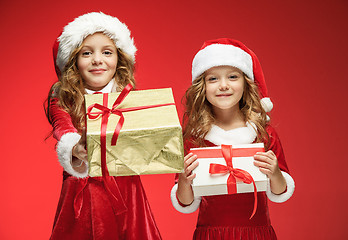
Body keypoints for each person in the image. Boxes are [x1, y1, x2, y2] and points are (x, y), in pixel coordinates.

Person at [45, 12, 162, 240]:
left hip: (127, 191)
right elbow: (62, 125)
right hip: (83, 188)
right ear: (73, 61)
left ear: (119, 59)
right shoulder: (63, 97)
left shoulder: (128, 97)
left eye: (107, 52)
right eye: (86, 53)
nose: (97, 60)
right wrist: (75, 146)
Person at [170, 38, 295, 239]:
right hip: (210, 235)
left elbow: (281, 192)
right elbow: (185, 203)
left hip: (256, 234)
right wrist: (184, 180)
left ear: (246, 83)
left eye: (233, 76)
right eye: (213, 79)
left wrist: (275, 172)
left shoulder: (264, 134)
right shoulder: (193, 140)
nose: (223, 85)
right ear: (202, 87)